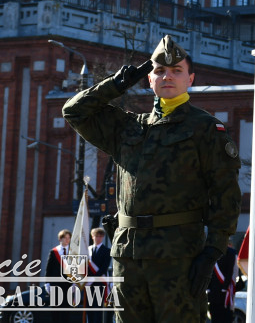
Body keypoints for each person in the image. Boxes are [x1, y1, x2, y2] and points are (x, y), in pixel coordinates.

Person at [62, 35, 242, 323]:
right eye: (159, 70)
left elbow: (225, 194)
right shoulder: (128, 126)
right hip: (128, 255)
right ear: (148, 79)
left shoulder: (206, 128)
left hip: (179, 257)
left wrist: (212, 252)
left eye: (176, 71)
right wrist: (116, 84)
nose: (167, 76)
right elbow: (73, 111)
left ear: (190, 79)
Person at [206, 241, 238, 323]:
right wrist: (225, 287)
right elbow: (231, 272)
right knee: (220, 316)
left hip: (218, 291)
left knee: (220, 316)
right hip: (221, 291)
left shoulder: (210, 252)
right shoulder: (231, 253)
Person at [87, 227, 112, 323]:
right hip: (88, 283)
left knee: (97, 308)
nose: (98, 238)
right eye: (96, 236)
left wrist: (93, 278)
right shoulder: (88, 250)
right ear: (92, 236)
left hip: (99, 282)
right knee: (89, 308)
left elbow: (104, 268)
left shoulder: (107, 250)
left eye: (101, 236)